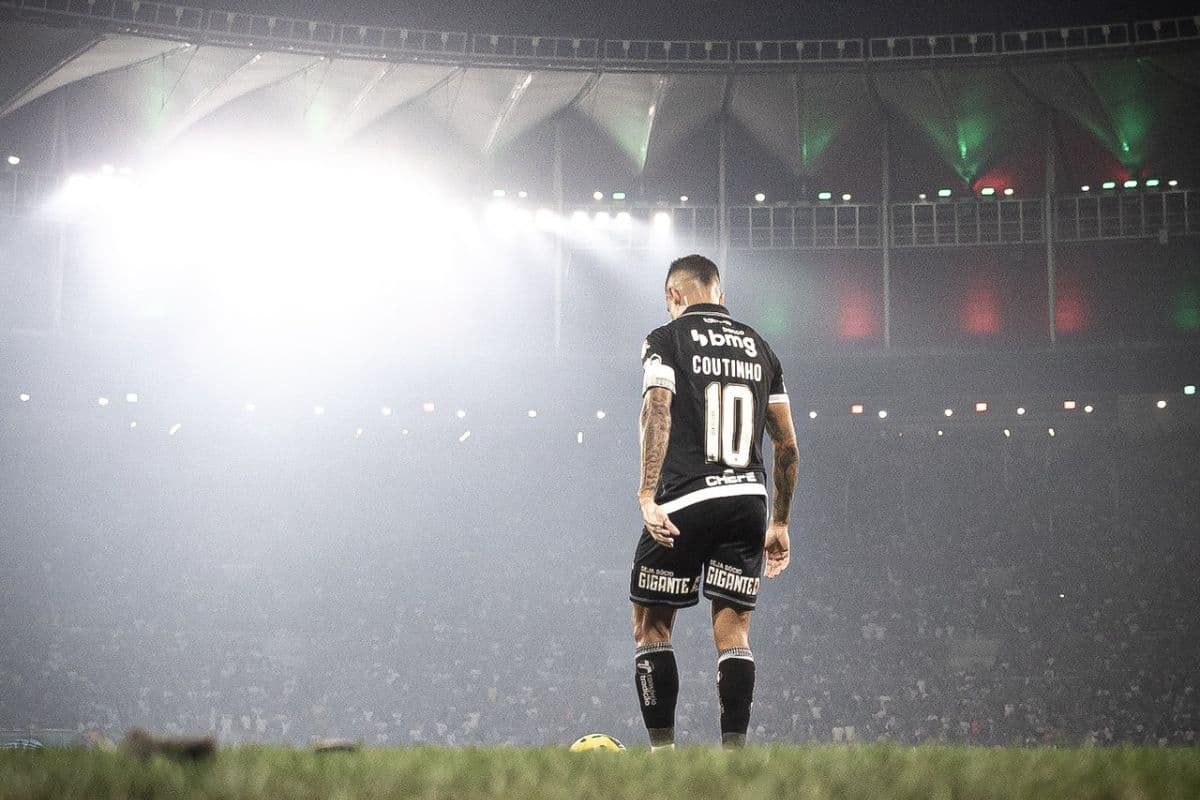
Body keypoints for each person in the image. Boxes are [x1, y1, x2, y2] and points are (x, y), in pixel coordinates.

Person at [630, 254, 798, 749]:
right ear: (720, 295)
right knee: (734, 630)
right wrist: (780, 524)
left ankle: (663, 758)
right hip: (748, 499)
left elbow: (657, 407)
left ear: (673, 297)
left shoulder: (665, 338)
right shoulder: (760, 347)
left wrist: (646, 493)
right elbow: (786, 446)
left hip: (685, 496)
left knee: (651, 625)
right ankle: (734, 762)